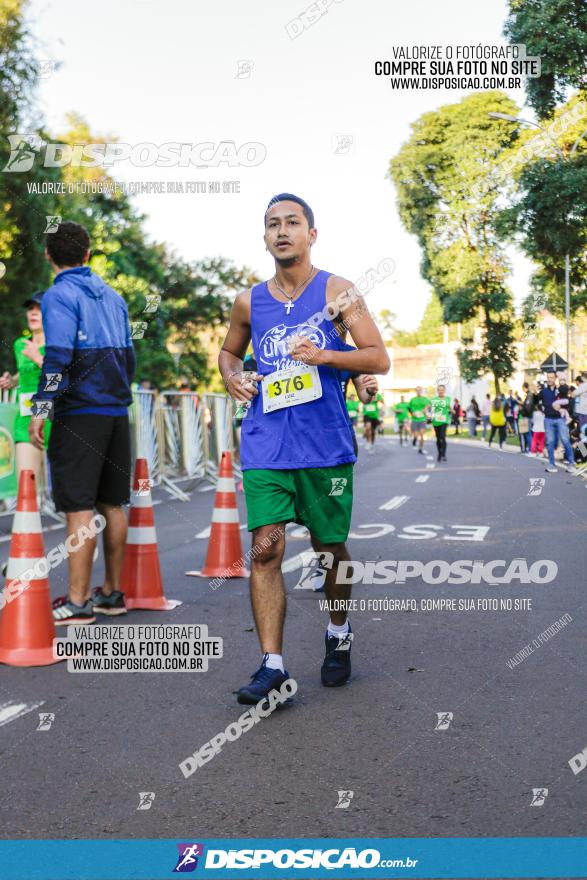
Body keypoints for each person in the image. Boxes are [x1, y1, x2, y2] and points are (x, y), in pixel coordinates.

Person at [218, 192, 390, 704]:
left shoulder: (339, 292)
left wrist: (327, 357)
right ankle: (272, 665)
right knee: (266, 550)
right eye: (273, 224)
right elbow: (229, 351)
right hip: (266, 441)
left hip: (324, 447)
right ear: (265, 237)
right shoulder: (249, 300)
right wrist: (232, 377)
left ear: (311, 234)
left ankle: (338, 631)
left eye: (293, 222)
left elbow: (377, 358)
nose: (282, 230)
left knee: (328, 549)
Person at [29, 221, 135, 624]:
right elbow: (129, 360)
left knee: (78, 507)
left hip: (80, 413)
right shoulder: (114, 297)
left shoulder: (58, 295)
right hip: (115, 410)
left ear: (48, 255)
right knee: (112, 503)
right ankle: (111, 593)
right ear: (88, 254)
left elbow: (57, 356)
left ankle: (77, 601)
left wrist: (42, 407)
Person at [0, 292, 51, 486]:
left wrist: (38, 357)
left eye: (39, 309)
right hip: (27, 414)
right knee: (26, 484)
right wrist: (11, 381)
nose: (33, 313)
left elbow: (62, 375)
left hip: (56, 415)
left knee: (68, 493)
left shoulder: (59, 345)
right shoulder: (20, 345)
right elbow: (25, 373)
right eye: (30, 309)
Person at [535, 372, 575, 474]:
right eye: (548, 377)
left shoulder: (560, 390)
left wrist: (563, 410)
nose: (549, 379)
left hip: (560, 419)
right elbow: (536, 402)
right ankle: (551, 465)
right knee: (550, 442)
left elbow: (568, 401)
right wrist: (543, 410)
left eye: (551, 377)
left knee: (565, 440)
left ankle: (571, 463)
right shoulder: (543, 392)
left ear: (555, 378)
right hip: (548, 419)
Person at [429, 384, 451, 461]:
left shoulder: (448, 399)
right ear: (437, 391)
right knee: (438, 438)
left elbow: (448, 407)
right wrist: (427, 415)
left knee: (442, 437)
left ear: (444, 391)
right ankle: (439, 453)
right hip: (436, 421)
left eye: (442, 390)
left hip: (444, 420)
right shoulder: (434, 399)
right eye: (439, 390)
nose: (441, 391)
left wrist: (453, 411)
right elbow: (429, 408)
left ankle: (444, 455)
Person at [409, 386, 430, 454]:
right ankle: (415, 438)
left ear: (421, 391)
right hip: (414, 419)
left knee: (422, 435)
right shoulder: (413, 400)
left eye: (420, 390)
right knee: (415, 434)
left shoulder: (425, 399)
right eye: (417, 390)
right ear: (416, 391)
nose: (419, 391)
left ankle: (420, 448)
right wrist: (412, 413)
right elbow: (409, 408)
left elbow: (429, 405)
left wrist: (426, 408)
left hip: (422, 419)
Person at [518, 382, 534, 454]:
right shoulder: (528, 395)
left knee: (527, 434)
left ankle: (529, 449)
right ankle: (528, 449)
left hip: (526, 416)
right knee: (527, 433)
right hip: (527, 416)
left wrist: (522, 407)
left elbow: (528, 407)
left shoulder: (529, 395)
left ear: (525, 387)